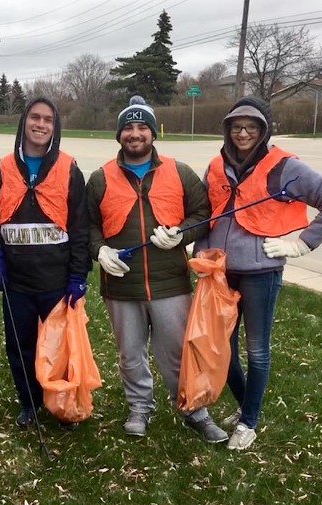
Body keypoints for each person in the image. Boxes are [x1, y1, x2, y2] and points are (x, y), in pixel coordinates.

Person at [195, 96, 322, 450]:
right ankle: (249, 405)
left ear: (263, 130)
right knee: (224, 348)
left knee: (257, 350)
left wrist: (302, 244)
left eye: (251, 127)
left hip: (261, 272)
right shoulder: (217, 165)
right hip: (221, 272)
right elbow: (207, 210)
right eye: (236, 127)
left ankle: (248, 422)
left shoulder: (286, 167)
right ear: (227, 130)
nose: (243, 133)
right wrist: (201, 251)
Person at [85, 95, 228, 443]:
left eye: (142, 127)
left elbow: (203, 214)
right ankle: (139, 407)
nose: (135, 134)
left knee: (177, 351)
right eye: (129, 128)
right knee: (130, 354)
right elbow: (86, 225)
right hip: (121, 286)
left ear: (153, 133)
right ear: (119, 135)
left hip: (170, 284)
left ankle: (194, 410)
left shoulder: (179, 172)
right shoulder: (100, 178)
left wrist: (182, 234)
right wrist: (99, 249)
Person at [0, 96, 91, 428]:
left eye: (48, 119)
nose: (41, 124)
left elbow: (79, 227)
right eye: (35, 117)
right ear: (24, 122)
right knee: (21, 346)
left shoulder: (69, 168)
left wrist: (78, 275)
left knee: (59, 347)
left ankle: (60, 402)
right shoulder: (1, 170)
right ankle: (29, 401)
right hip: (16, 281)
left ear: (54, 127)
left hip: (56, 281)